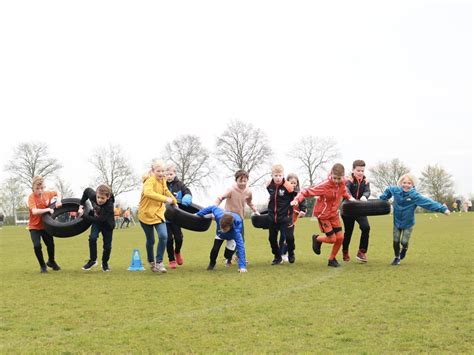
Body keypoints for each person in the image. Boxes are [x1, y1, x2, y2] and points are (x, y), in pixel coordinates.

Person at [291, 163, 355, 267]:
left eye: (339, 178)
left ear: (342, 177)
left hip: (334, 214)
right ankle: (316, 239)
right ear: (331, 174)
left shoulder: (343, 183)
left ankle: (332, 259)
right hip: (323, 215)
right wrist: (297, 200)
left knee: (340, 237)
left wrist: (349, 197)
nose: (336, 181)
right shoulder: (324, 185)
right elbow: (306, 191)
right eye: (334, 178)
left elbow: (343, 191)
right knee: (332, 239)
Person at [379, 173, 450, 265]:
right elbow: (388, 190)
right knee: (396, 241)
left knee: (404, 241)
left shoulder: (414, 196)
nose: (406, 185)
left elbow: (429, 203)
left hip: (408, 223)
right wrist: (384, 197)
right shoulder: (395, 190)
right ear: (400, 183)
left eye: (409, 183)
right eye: (404, 182)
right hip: (397, 222)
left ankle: (404, 248)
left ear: (412, 185)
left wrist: (443, 209)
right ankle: (397, 258)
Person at [138, 160, 177, 273]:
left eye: (162, 171)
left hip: (158, 213)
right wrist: (165, 199)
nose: (161, 173)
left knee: (164, 236)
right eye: (158, 171)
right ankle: (151, 262)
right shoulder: (149, 181)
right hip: (145, 214)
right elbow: (148, 193)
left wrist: (174, 201)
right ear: (153, 171)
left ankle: (159, 262)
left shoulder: (163, 180)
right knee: (151, 240)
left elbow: (165, 191)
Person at [214, 169, 259, 266]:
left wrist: (255, 210)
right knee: (231, 239)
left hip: (240, 219)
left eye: (245, 181)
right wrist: (214, 207)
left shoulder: (248, 191)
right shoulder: (231, 190)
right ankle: (228, 259)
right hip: (229, 220)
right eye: (240, 181)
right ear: (236, 180)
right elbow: (220, 198)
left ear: (247, 180)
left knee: (241, 240)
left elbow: (249, 202)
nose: (243, 183)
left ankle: (239, 257)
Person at [195, 205, 247, 273]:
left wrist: (242, 267)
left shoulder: (236, 231)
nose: (222, 230)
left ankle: (229, 259)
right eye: (221, 227)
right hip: (220, 235)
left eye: (224, 229)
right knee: (215, 249)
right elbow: (212, 207)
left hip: (231, 237)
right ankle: (212, 264)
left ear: (230, 226)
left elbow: (241, 248)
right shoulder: (219, 215)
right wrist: (198, 214)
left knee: (227, 255)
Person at [27, 176, 62, 273]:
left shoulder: (47, 194)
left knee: (50, 244)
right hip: (34, 226)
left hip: (46, 225)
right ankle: (43, 265)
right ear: (33, 188)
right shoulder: (31, 197)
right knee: (37, 245)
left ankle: (51, 261)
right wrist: (47, 209)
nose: (40, 191)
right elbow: (34, 211)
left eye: (42, 188)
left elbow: (57, 192)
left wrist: (58, 200)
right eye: (37, 189)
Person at [78, 185, 115, 272]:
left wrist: (83, 215)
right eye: (98, 197)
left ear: (108, 197)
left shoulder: (109, 206)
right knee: (92, 238)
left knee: (107, 246)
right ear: (96, 194)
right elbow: (86, 190)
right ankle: (93, 260)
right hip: (96, 222)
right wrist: (81, 205)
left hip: (107, 225)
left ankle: (105, 263)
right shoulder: (93, 195)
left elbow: (99, 219)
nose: (99, 200)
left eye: (102, 198)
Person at [266, 164, 298, 265]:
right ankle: (277, 257)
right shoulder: (269, 185)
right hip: (273, 218)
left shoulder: (288, 186)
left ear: (283, 175)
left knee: (289, 238)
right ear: (272, 175)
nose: (278, 178)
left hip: (286, 217)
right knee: (271, 239)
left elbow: (297, 196)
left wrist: (296, 202)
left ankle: (291, 253)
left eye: (280, 175)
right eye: (276, 175)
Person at [341, 160, 371, 263]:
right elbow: (346, 190)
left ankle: (361, 252)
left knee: (366, 227)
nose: (360, 173)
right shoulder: (348, 180)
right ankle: (345, 251)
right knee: (348, 232)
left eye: (362, 170)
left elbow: (367, 191)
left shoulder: (366, 181)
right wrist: (350, 198)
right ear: (353, 170)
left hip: (360, 209)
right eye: (358, 170)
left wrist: (364, 196)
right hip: (348, 209)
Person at [165, 164, 192, 269]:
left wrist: (187, 197)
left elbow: (187, 192)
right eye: (166, 174)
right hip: (165, 217)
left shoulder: (180, 185)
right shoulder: (162, 185)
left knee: (178, 238)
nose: (169, 176)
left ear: (175, 174)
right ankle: (171, 259)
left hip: (177, 217)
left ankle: (177, 252)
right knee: (168, 239)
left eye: (171, 174)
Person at [280, 173, 307, 262]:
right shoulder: (284, 192)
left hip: (293, 218)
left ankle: (285, 253)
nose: (293, 185)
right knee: (283, 236)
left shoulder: (299, 193)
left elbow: (303, 202)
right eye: (291, 183)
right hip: (283, 217)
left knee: (289, 237)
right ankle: (281, 254)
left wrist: (303, 210)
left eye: (294, 183)